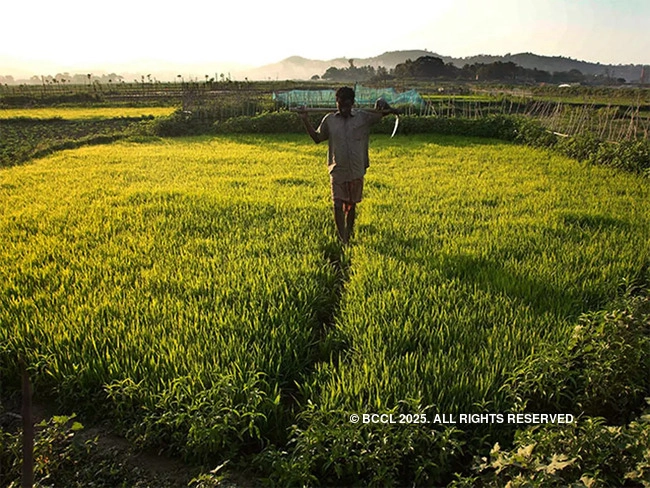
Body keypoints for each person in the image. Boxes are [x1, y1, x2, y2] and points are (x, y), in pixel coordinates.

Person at [298, 86, 398, 245]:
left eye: (346, 104)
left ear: (353, 103)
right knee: (337, 204)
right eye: (340, 104)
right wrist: (304, 119)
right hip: (337, 169)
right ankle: (342, 238)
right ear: (336, 102)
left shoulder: (363, 117)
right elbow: (317, 138)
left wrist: (384, 105)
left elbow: (382, 112)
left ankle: (349, 234)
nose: (343, 108)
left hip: (356, 170)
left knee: (351, 205)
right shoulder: (329, 120)